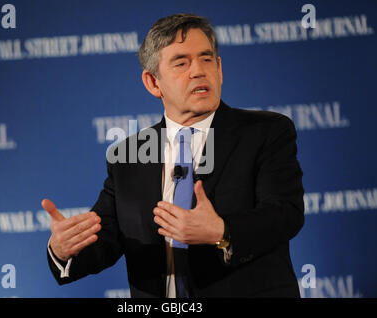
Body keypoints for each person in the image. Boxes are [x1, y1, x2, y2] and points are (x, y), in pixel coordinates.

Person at [43, 13, 305, 298]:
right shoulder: (128, 156)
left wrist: (222, 231)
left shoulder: (265, 132)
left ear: (219, 69)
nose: (198, 71)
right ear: (153, 83)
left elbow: (285, 214)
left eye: (206, 59)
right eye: (181, 63)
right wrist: (62, 249)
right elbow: (105, 239)